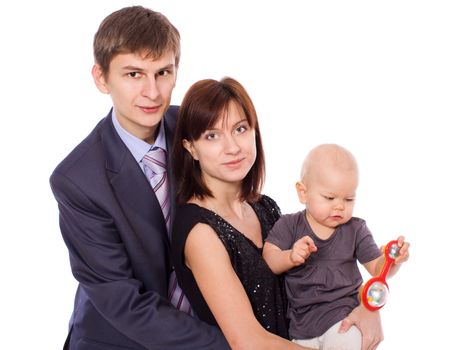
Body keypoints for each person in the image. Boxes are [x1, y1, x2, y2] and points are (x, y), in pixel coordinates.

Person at [50, 6, 230, 350]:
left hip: (211, 323)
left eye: (163, 72)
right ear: (102, 78)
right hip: (119, 341)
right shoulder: (77, 180)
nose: (152, 92)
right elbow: (125, 304)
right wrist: (237, 343)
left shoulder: (197, 130)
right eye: (134, 74)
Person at [171, 79, 384, 350]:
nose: (233, 147)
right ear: (191, 148)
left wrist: (368, 310)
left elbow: (327, 274)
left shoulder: (266, 208)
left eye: (240, 129)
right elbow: (247, 341)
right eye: (212, 135)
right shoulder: (200, 231)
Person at [263, 143, 410, 350]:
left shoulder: (356, 229)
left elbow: (378, 269)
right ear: (303, 192)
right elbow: (268, 259)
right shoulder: (289, 225)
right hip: (300, 328)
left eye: (349, 199)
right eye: (329, 198)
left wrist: (392, 260)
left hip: (343, 320)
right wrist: (290, 256)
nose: (340, 206)